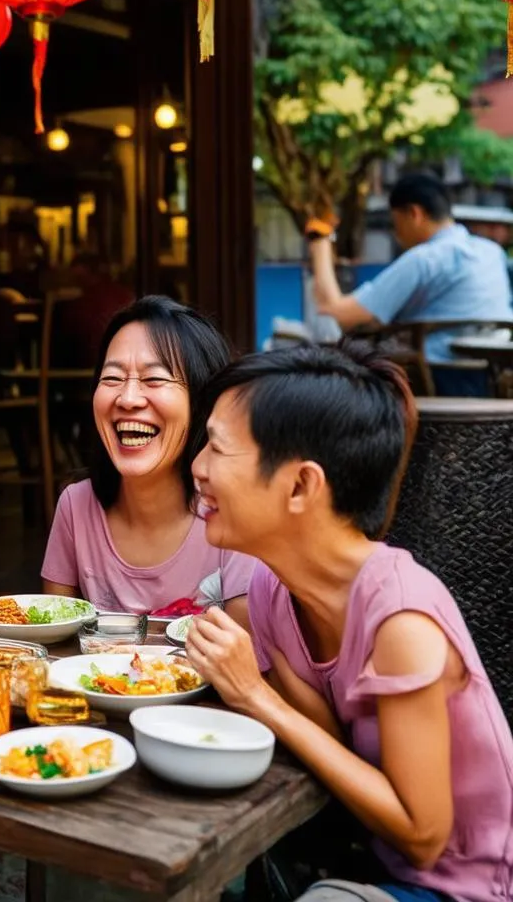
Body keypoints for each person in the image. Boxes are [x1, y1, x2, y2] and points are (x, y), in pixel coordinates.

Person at [186, 341, 513, 902]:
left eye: (216, 448)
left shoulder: (402, 618)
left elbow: (423, 836)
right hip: (365, 865)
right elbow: (333, 741)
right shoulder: (270, 587)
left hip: (465, 888)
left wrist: (254, 695)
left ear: (301, 485)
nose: (197, 467)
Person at [41, 297, 255, 617]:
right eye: (112, 378)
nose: (127, 399)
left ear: (201, 402)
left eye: (154, 379)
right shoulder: (76, 506)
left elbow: (244, 657)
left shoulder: (236, 513)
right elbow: (55, 645)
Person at [306, 173, 513, 396]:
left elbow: (337, 312)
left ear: (414, 213)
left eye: (395, 222)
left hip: (438, 380)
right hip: (496, 378)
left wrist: (321, 243)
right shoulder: (492, 252)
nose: (396, 234)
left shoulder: (424, 258)